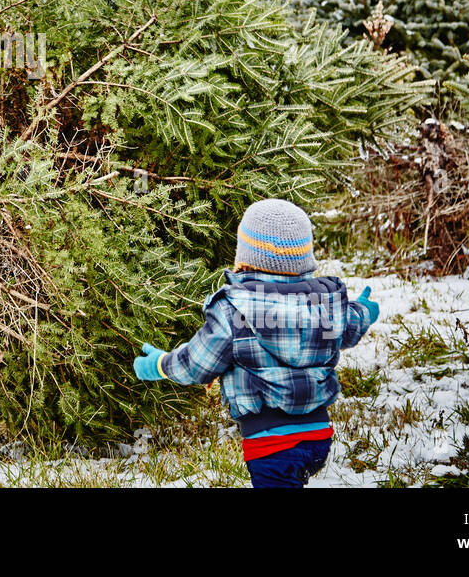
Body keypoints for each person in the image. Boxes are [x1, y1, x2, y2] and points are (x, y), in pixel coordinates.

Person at [133, 198, 378, 488]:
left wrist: (159, 364)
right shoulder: (325, 303)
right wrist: (364, 310)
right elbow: (348, 327)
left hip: (269, 444)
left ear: (245, 257)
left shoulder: (233, 309)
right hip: (319, 435)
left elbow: (196, 365)